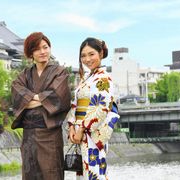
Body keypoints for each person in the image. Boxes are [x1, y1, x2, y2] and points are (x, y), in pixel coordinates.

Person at [11, 32, 71, 180]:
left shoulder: (59, 72)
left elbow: (59, 98)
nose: (43, 52)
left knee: (52, 173)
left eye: (46, 47)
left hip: (50, 134)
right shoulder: (24, 75)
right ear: (31, 52)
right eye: (37, 49)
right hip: (29, 135)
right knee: (30, 173)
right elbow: (17, 97)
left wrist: (30, 99)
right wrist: (44, 98)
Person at [66, 37, 120, 179]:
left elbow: (102, 107)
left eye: (91, 54)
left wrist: (82, 129)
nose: (87, 59)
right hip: (80, 133)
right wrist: (71, 126)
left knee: (95, 173)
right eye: (83, 55)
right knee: (83, 174)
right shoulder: (87, 79)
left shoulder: (104, 79)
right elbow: (75, 105)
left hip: (92, 134)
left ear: (100, 54)